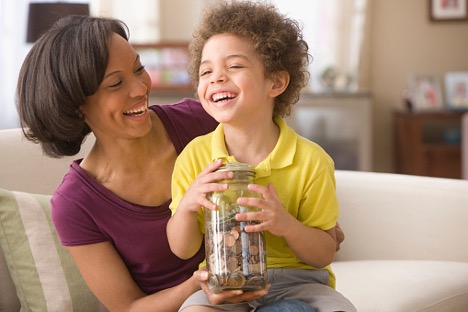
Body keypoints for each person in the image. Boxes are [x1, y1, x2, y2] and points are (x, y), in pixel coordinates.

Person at [15, 15, 285, 312]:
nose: (140, 88)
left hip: (270, 290)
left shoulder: (202, 120)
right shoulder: (75, 204)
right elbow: (130, 307)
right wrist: (200, 285)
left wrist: (308, 221)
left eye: (139, 69)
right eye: (116, 83)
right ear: (76, 106)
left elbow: (283, 168)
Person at [166, 1, 356, 311]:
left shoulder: (311, 161)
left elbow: (323, 253)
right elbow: (181, 249)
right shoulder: (194, 157)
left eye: (234, 66)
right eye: (206, 70)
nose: (216, 77)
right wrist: (187, 206)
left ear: (276, 82)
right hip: (224, 282)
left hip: (299, 282)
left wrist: (285, 224)